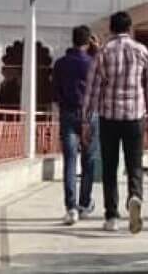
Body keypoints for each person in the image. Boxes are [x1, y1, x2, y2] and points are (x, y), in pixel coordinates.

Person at [82, 10, 148, 234]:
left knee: (110, 167)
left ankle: (111, 216)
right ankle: (135, 197)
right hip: (135, 117)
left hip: (109, 117)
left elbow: (92, 89)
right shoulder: (141, 50)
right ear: (129, 29)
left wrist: (86, 120)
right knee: (134, 164)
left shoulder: (104, 51)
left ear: (111, 29)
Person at [52, 24, 99, 224]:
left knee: (70, 162)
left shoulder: (60, 64)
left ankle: (71, 208)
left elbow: (54, 93)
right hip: (89, 115)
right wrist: (97, 50)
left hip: (68, 113)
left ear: (72, 40)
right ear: (88, 42)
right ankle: (85, 203)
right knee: (88, 161)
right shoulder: (92, 63)